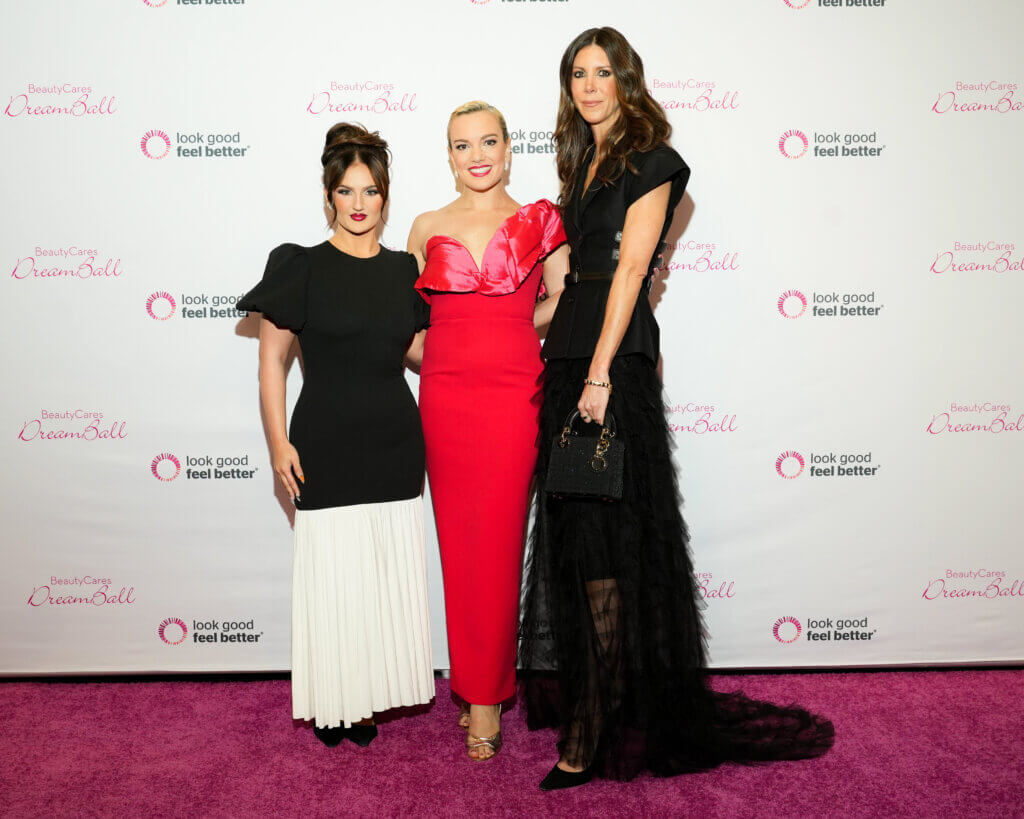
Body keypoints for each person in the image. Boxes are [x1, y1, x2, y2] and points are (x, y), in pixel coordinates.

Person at [519, 28, 835, 790]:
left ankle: (596, 717)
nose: (588, 85)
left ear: (627, 80)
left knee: (609, 541)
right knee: (579, 542)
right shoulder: (580, 164)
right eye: (577, 73)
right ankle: (601, 695)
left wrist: (600, 373)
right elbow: (581, 273)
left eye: (602, 72)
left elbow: (632, 268)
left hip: (609, 364)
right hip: (568, 358)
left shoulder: (652, 160)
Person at [238, 123, 433, 748]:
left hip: (394, 444)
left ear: (385, 197)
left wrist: (499, 332)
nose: (358, 203)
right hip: (323, 443)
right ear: (328, 196)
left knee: (378, 579)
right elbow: (272, 361)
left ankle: (366, 697)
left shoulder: (405, 270)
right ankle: (333, 699)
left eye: (370, 191)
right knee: (332, 578)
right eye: (345, 190)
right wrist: (278, 443)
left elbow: (419, 354)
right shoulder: (300, 267)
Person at [407, 101, 568, 760]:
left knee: (500, 542)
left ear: (507, 148)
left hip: (514, 395)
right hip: (446, 398)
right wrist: (440, 351)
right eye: (462, 144)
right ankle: (475, 683)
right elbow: (406, 322)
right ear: (448, 156)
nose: (476, 155)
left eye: (488, 141)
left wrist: (512, 325)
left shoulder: (540, 219)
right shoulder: (425, 226)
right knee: (459, 544)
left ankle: (485, 698)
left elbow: (565, 298)